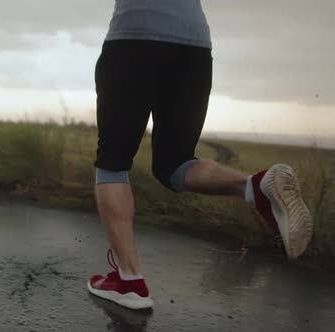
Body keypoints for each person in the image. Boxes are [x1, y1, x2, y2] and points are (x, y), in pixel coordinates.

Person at [87, 0, 314, 310]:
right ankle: (256, 185)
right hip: (194, 44)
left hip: (133, 38)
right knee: (175, 163)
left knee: (112, 164)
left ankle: (129, 281)